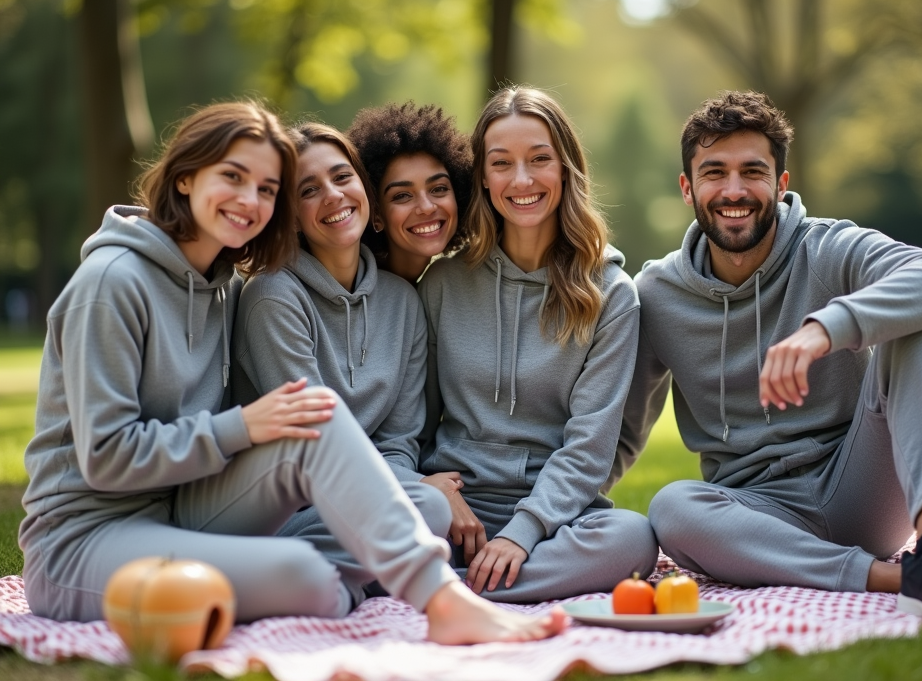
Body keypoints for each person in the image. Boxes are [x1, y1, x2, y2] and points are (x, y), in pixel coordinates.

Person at [18, 101, 565, 643]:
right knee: (308, 575)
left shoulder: (217, 285)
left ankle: (439, 598)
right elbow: (106, 457)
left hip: (186, 509)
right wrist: (243, 427)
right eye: (233, 177)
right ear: (184, 179)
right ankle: (395, 589)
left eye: (265, 188)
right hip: (87, 537)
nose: (249, 199)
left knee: (320, 420)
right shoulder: (111, 285)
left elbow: (382, 434)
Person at [609, 91, 922, 624]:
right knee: (670, 508)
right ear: (688, 188)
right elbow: (621, 430)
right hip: (757, 515)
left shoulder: (826, 248)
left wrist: (827, 328)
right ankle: (909, 577)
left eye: (752, 171)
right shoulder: (658, 293)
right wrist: (542, 518)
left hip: (863, 487)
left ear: (781, 185)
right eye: (715, 172)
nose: (734, 190)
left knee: (919, 334)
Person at [417, 86, 658, 602]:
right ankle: (477, 584)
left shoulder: (610, 294)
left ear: (566, 167)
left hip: (553, 513)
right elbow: (413, 422)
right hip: (454, 507)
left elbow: (590, 447)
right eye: (501, 163)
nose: (521, 180)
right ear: (483, 176)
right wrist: (425, 488)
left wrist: (522, 534)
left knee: (632, 540)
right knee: (382, 522)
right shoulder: (441, 285)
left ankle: (450, 592)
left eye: (539, 159)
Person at [232, 122, 454, 599]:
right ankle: (304, 577)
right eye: (308, 190)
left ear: (364, 190)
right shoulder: (273, 297)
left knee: (429, 507)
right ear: (289, 215)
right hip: (288, 507)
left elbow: (399, 440)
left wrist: (412, 479)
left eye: (342, 177)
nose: (333, 196)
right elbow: (315, 444)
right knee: (430, 510)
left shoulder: (402, 301)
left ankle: (329, 582)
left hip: (362, 499)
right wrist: (416, 485)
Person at [347, 102, 473, 283]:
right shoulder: (355, 288)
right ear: (376, 215)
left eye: (439, 189)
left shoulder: (439, 288)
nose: (427, 207)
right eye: (402, 196)